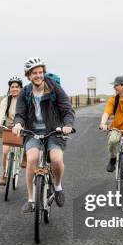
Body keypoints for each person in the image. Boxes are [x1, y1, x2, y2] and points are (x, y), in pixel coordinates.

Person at [12, 57, 75, 214]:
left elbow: (67, 110)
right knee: (32, 159)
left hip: (54, 131)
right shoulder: (25, 92)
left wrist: (67, 125)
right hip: (33, 132)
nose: (38, 75)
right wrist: (18, 124)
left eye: (41, 72)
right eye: (35, 73)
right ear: (28, 75)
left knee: (56, 160)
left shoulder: (54, 88)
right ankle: (31, 200)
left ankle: (58, 187)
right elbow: (19, 113)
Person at [0, 76, 23, 185]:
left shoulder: (25, 99)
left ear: (20, 88)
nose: (14, 89)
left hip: (23, 128)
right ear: (9, 88)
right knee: (5, 152)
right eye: (12, 87)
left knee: (28, 148)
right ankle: (4, 175)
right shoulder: (6, 100)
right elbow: (1, 114)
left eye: (17, 87)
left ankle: (24, 159)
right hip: (9, 128)